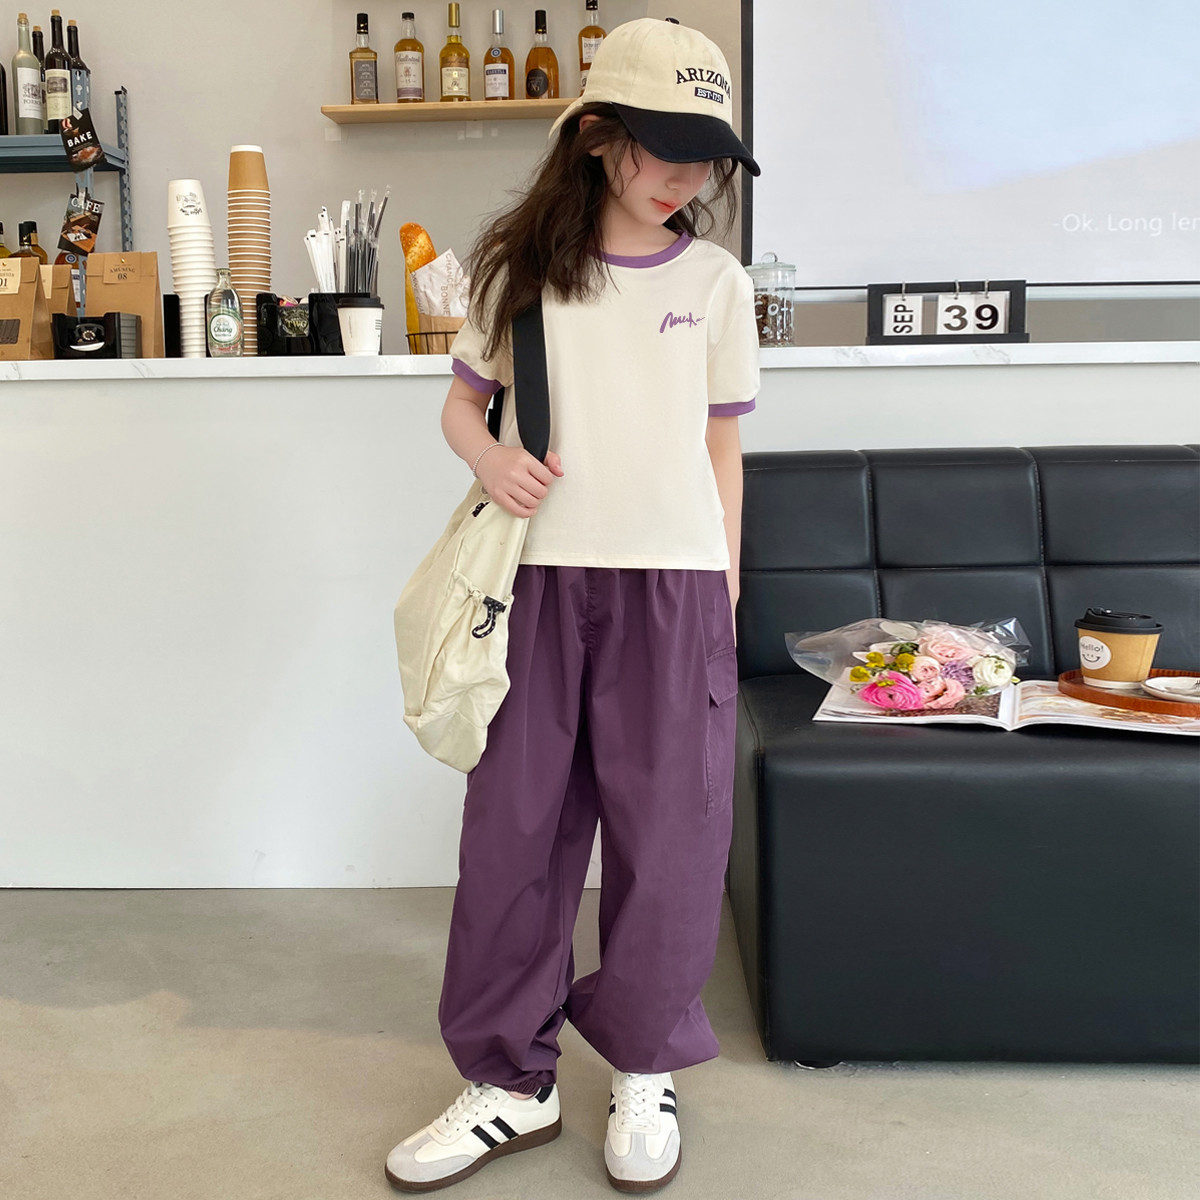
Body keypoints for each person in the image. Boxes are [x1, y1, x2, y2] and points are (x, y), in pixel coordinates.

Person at [385, 16, 761, 1196]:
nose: (686, 178)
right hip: (537, 585)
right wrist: (490, 458)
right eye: (665, 148)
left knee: (673, 844)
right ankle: (513, 1082)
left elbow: (723, 447)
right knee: (515, 836)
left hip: (676, 592)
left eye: (705, 157)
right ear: (597, 136)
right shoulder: (522, 271)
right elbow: (462, 406)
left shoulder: (716, 284)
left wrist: (725, 584)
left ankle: (645, 1065)